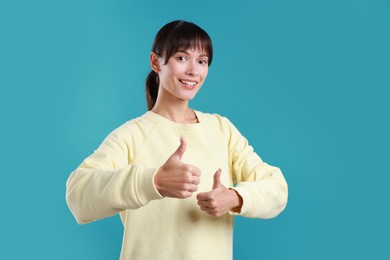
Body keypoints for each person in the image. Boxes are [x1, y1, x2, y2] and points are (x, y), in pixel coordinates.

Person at [66, 20, 288, 260]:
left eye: (202, 61)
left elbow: (277, 188)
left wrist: (235, 197)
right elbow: (78, 195)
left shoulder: (221, 129)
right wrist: (153, 181)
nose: (193, 70)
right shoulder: (133, 134)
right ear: (155, 62)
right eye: (181, 58)